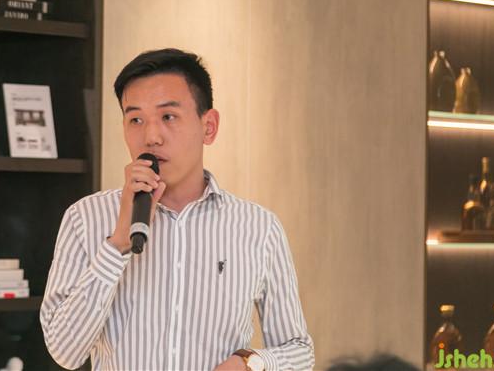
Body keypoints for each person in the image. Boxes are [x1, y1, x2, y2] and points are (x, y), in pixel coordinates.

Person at [40, 48, 314, 371]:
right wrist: (117, 244)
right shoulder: (85, 218)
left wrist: (251, 363)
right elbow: (64, 352)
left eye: (168, 117)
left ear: (208, 127)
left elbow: (299, 351)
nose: (151, 137)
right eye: (136, 119)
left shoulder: (258, 227)